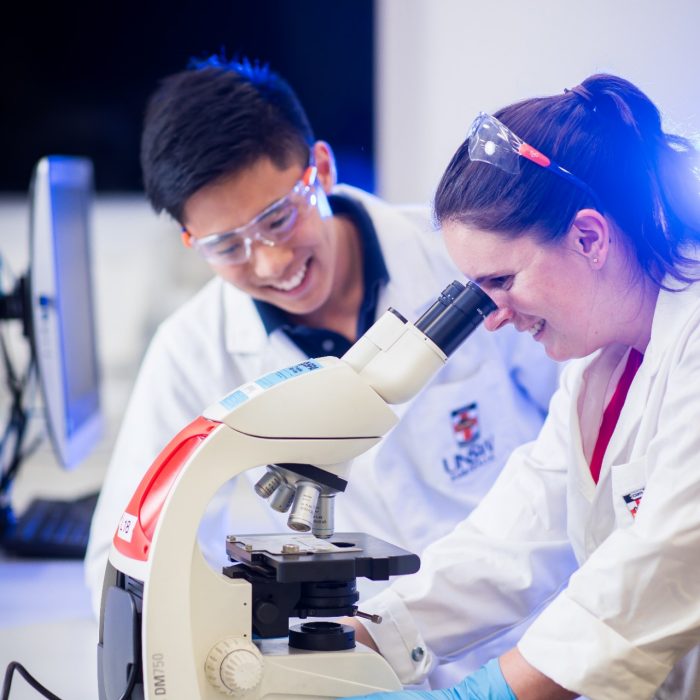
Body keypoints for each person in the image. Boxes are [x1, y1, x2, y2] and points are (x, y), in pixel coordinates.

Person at [84, 55, 559, 685]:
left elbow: (585, 445)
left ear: (323, 169)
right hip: (348, 665)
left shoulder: (464, 259)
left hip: (539, 640)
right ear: (191, 244)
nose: (273, 260)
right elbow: (126, 556)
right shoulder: (192, 350)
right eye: (228, 246)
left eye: (280, 216)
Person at [347, 73, 700, 700]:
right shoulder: (599, 368)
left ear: (589, 237)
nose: (493, 315)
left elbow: (671, 557)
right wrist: (358, 638)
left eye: (502, 280)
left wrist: (488, 693)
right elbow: (513, 541)